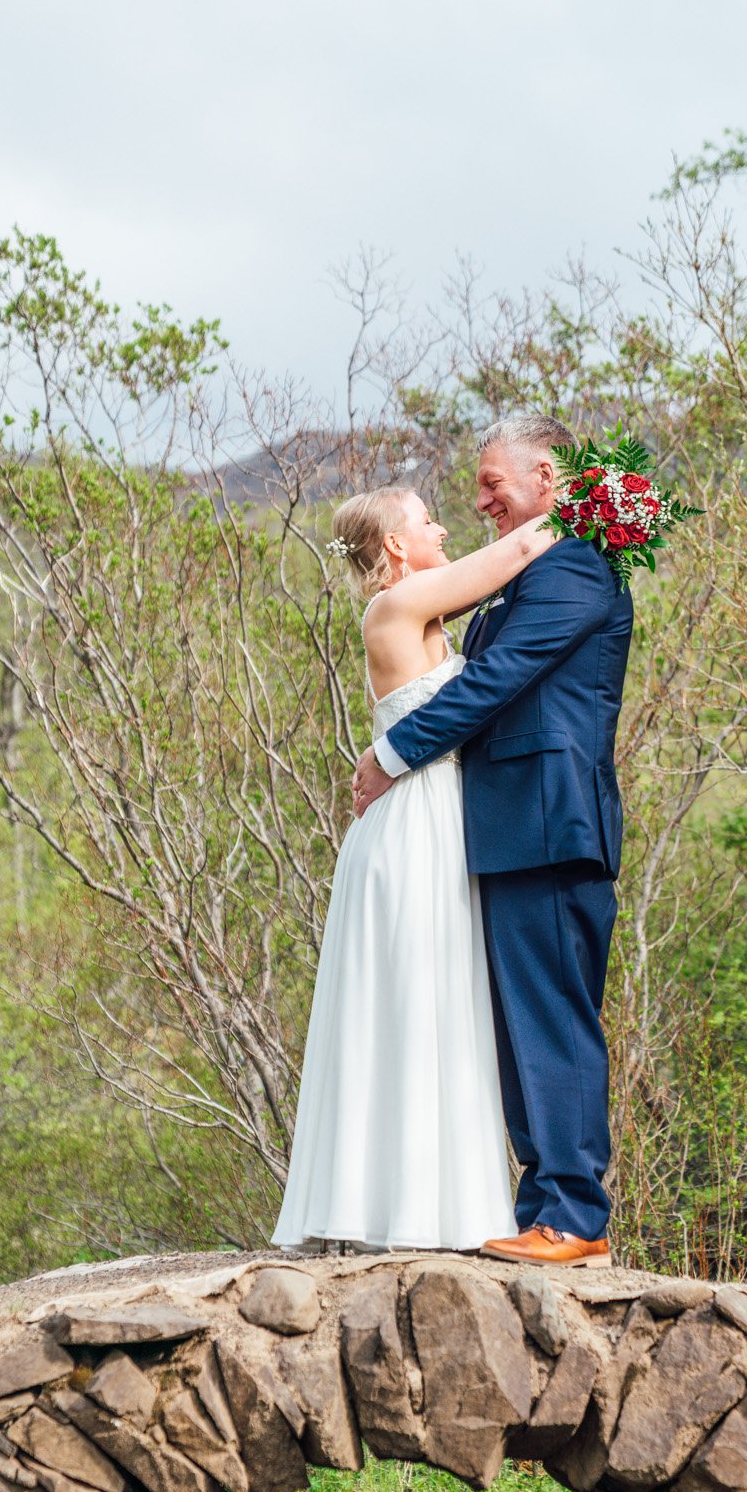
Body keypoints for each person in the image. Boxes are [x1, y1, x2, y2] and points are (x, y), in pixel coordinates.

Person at [353, 413, 634, 1267]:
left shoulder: (579, 563)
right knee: (519, 1030)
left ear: (547, 479)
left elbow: (501, 680)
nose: (478, 502)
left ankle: (577, 1217)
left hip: (551, 824)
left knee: (553, 1019)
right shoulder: (532, 569)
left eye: (490, 485)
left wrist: (393, 754)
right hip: (506, 830)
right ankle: (543, 1205)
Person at [272, 487, 557, 1254]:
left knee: (443, 1006)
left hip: (438, 819)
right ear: (397, 546)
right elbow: (523, 551)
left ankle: (438, 1211)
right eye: (428, 519)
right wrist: (603, 500)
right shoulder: (394, 610)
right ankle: (399, 1212)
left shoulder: (424, 614)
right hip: (411, 832)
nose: (443, 527)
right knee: (412, 1002)